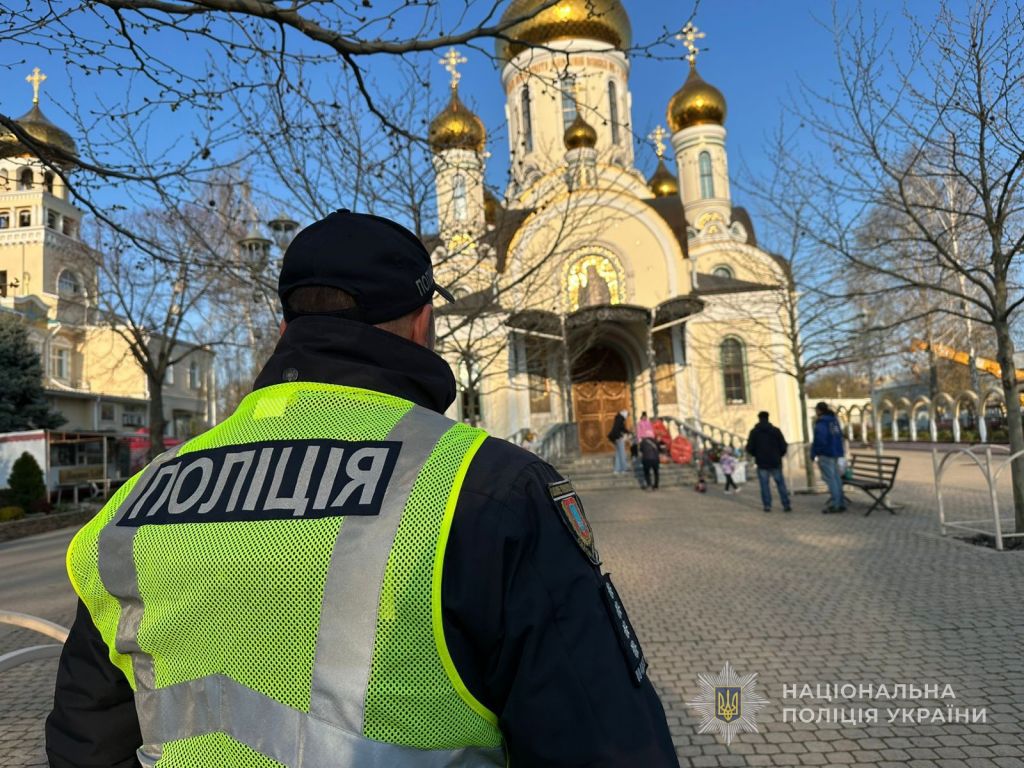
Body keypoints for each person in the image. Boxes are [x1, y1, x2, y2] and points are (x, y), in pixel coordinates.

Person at [45, 210, 679, 768]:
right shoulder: (488, 489)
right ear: (422, 320)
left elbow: (86, 736)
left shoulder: (143, 498)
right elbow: (602, 742)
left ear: (289, 321)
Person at [746, 411, 792, 512]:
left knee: (764, 485)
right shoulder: (776, 431)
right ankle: (786, 504)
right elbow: (783, 446)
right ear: (768, 418)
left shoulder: (754, 432)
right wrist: (779, 455)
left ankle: (767, 505)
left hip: (762, 462)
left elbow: (749, 447)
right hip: (775, 461)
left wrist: (756, 455)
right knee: (780, 484)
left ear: (759, 418)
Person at [812, 401, 847, 513]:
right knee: (836, 478)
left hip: (825, 453)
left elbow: (820, 439)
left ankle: (835, 504)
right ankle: (840, 503)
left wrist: (814, 453)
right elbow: (839, 436)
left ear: (819, 410)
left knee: (830, 479)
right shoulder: (834, 421)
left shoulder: (822, 422)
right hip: (836, 453)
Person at [608, 408, 631, 474]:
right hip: (619, 438)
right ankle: (624, 469)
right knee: (622, 453)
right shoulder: (620, 419)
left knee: (618, 454)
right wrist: (627, 432)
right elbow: (622, 428)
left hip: (615, 438)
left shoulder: (618, 418)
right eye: (627, 415)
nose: (626, 417)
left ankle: (617, 469)